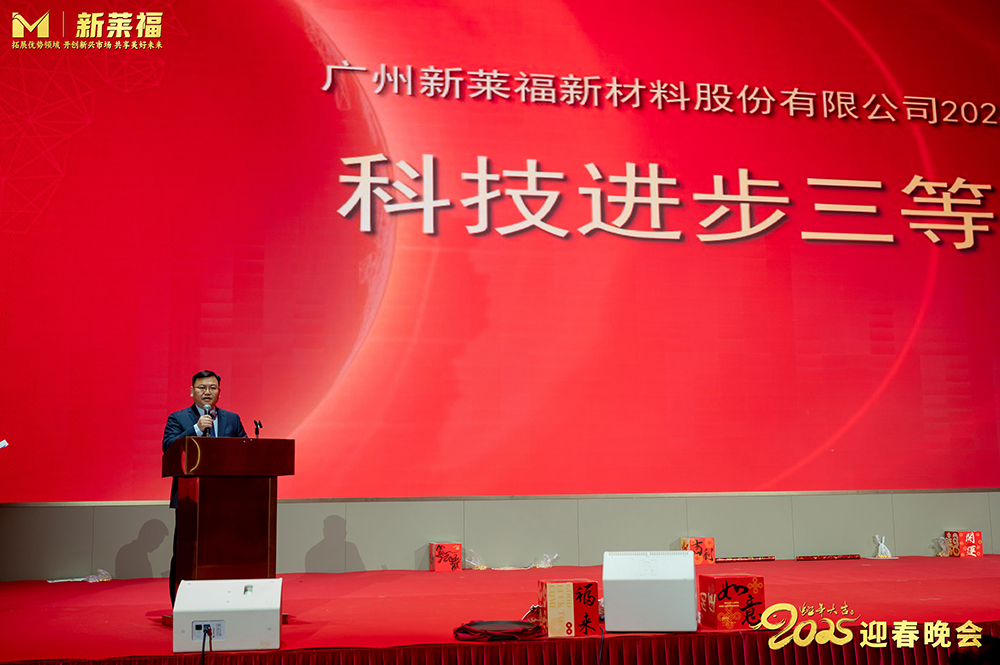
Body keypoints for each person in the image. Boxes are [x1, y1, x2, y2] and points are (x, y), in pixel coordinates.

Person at [162, 370, 247, 604]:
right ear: (192, 392)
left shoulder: (232, 419)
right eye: (202, 388)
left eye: (212, 388)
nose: (207, 392)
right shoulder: (178, 418)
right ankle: (181, 603)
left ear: (219, 392)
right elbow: (169, 447)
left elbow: (244, 450)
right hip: (190, 497)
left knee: (223, 551)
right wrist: (197, 429)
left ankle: (222, 601)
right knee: (186, 553)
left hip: (225, 498)